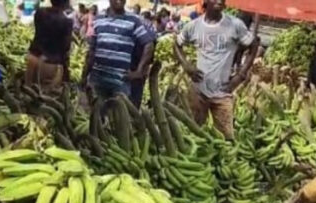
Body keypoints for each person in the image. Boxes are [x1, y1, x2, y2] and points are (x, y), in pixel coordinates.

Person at [174, 0, 259, 139]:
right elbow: (177, 44)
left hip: (223, 92)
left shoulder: (235, 25)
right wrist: (187, 66)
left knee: (226, 139)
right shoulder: (194, 26)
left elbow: (253, 46)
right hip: (198, 91)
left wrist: (240, 75)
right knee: (193, 133)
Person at [81, 0, 155, 99]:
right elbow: (92, 51)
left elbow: (148, 44)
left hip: (121, 82)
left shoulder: (133, 20)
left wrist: (139, 71)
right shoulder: (98, 19)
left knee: (119, 113)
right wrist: (84, 76)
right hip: (97, 79)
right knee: (97, 112)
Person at [25, 0, 73, 91]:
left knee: (28, 95)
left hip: (33, 58)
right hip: (50, 65)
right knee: (46, 99)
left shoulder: (39, 13)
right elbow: (66, 47)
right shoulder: (67, 22)